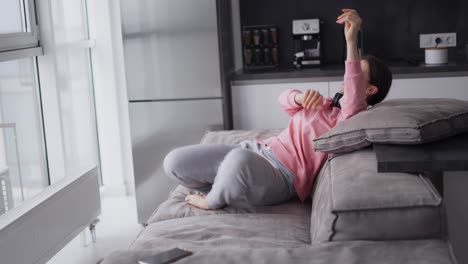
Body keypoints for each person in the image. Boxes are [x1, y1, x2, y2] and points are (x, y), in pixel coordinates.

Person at [163, 9, 392, 210]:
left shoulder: (351, 118)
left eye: (354, 73)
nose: (347, 74)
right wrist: (300, 97)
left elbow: (352, 90)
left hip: (282, 176)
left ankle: (214, 200)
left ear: (370, 90)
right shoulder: (324, 104)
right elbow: (283, 99)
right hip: (257, 151)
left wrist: (351, 42)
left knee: (239, 159)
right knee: (174, 162)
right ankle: (229, 185)